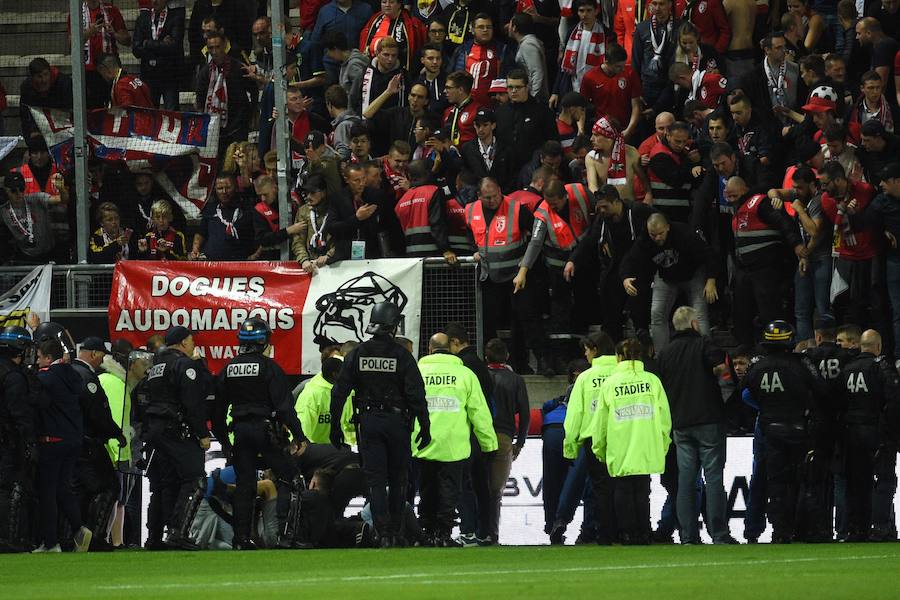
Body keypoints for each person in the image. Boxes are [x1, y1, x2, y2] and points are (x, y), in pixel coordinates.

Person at [329, 302, 431, 547]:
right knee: (398, 479)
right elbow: (416, 395)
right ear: (393, 326)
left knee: (375, 480)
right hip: (397, 423)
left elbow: (339, 392)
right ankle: (396, 531)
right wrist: (425, 427)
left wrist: (335, 425)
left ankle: (382, 533)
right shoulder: (402, 356)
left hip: (369, 422)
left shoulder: (357, 354)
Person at [212, 319, 304, 550]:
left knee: (245, 485)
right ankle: (285, 536)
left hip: (240, 433)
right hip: (266, 432)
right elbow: (284, 407)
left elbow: (217, 412)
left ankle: (240, 539)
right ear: (263, 342)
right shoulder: (269, 368)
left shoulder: (228, 369)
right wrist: (299, 436)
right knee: (290, 478)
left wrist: (225, 442)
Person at [741, 320, 830, 543]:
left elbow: (744, 394)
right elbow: (822, 390)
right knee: (806, 480)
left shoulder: (757, 366)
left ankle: (780, 532)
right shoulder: (801, 363)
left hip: (770, 430)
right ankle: (806, 530)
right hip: (800, 429)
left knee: (777, 484)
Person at [656, 306, 736, 544]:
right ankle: (719, 533)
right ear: (693, 324)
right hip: (708, 418)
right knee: (713, 477)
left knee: (686, 480)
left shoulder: (666, 352)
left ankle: (688, 535)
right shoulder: (704, 344)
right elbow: (721, 367)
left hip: (679, 423)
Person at [415, 333, 497, 547]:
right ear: (449, 349)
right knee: (450, 491)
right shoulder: (464, 374)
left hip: (422, 443)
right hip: (454, 444)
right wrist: (489, 445)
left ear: (430, 350)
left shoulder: (417, 372)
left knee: (426, 490)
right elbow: (479, 412)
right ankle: (443, 535)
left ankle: (426, 532)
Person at [590, 338, 672, 545]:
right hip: (646, 443)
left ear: (619, 357)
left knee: (623, 489)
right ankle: (644, 531)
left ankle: (627, 532)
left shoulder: (611, 383)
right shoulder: (652, 381)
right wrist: (663, 443)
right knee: (643, 488)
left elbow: (600, 421)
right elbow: (664, 418)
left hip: (620, 444)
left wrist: (599, 447)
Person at [465, 177, 544, 375]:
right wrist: (473, 250)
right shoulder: (470, 210)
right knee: (488, 323)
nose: (492, 201)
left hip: (517, 276)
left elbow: (535, 236)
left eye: (495, 196)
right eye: (487, 198)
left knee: (525, 319)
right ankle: (489, 364)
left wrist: (525, 267)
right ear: (479, 196)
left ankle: (533, 363)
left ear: (500, 191)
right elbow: (469, 234)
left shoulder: (516, 208)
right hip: (489, 277)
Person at [144, 326, 211, 550]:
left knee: (166, 483)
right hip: (176, 430)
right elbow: (193, 402)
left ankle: (155, 536)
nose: (193, 344)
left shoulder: (155, 366)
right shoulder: (184, 364)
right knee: (194, 479)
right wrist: (202, 433)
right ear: (183, 343)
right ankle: (178, 532)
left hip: (156, 431)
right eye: (191, 340)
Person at [620, 212, 718, 351]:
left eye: (660, 233)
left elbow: (709, 254)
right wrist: (625, 277)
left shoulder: (684, 233)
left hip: (693, 275)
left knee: (700, 315)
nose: (657, 238)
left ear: (667, 227)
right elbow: (630, 258)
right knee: (657, 314)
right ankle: (662, 358)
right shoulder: (645, 239)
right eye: (653, 234)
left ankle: (708, 355)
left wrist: (711, 279)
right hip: (666, 277)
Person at [555, 331, 618, 545]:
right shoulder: (622, 373)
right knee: (624, 487)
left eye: (587, 349)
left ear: (595, 350)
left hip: (593, 439)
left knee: (599, 489)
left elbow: (574, 416)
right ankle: (628, 531)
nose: (585, 354)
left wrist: (570, 447)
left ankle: (603, 533)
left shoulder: (585, 378)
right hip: (623, 437)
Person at [726, 176, 804, 346]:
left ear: (743, 190)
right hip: (746, 271)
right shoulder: (737, 212)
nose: (731, 200)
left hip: (765, 269)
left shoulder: (759, 203)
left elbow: (783, 223)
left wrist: (796, 244)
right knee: (742, 313)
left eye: (734, 196)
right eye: (728, 197)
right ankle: (745, 352)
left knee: (770, 312)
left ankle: (778, 348)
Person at [837, 329, 900, 541]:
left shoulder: (847, 368)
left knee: (857, 482)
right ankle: (880, 526)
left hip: (851, 432)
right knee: (884, 480)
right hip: (876, 432)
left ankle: (856, 528)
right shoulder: (881, 367)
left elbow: (838, 402)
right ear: (878, 347)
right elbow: (893, 402)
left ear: (861, 345)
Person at [33, 336, 92, 553]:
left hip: (52, 440)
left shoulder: (45, 378)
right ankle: (78, 527)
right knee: (63, 488)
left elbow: (36, 402)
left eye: (39, 357)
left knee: (47, 491)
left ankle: (50, 542)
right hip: (73, 439)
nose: (37, 361)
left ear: (49, 358)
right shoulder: (73, 375)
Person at [70, 336, 126, 551]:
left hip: (69, 442)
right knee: (109, 486)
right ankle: (94, 538)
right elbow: (98, 414)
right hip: (89, 444)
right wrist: (115, 433)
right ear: (93, 354)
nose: (103, 360)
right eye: (102, 355)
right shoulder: (88, 378)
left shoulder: (68, 373)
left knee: (78, 491)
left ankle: (74, 536)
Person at [483, 338, 529, 545]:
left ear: (486, 356)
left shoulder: (479, 376)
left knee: (478, 487)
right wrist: (520, 442)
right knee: (495, 491)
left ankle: (475, 531)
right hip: (504, 436)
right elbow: (525, 414)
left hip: (480, 435)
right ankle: (492, 534)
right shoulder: (516, 380)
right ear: (507, 356)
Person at [0, 327, 37, 553]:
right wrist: (30, 442)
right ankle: (8, 538)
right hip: (7, 440)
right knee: (9, 488)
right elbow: (20, 414)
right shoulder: (13, 376)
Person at [195, 31, 253, 153]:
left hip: (237, 127)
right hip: (214, 130)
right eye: (211, 48)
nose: (215, 51)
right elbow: (200, 98)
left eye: (217, 47)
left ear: (225, 46)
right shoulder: (205, 72)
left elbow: (252, 91)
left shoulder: (238, 68)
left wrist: (247, 117)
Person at [394, 159, 455, 261]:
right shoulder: (434, 191)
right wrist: (445, 249)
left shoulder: (402, 200)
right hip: (434, 256)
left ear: (409, 176)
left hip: (411, 256)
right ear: (428, 172)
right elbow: (437, 222)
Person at [580, 44, 643, 141]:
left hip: (625, 129)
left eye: (623, 65)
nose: (622, 69)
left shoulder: (630, 73)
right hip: (602, 131)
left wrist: (629, 130)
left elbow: (636, 106)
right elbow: (581, 107)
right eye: (618, 66)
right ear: (606, 61)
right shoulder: (590, 77)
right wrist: (581, 130)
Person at [132, 0, 185, 110]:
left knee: (172, 114)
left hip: (169, 75)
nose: (154, 1)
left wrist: (147, 44)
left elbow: (175, 47)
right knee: (150, 115)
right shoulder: (142, 19)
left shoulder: (175, 18)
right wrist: (162, 44)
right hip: (149, 76)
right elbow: (136, 50)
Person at [191, 173, 255, 260]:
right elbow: (201, 232)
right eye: (220, 188)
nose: (224, 191)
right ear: (215, 190)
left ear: (236, 187)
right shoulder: (210, 209)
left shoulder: (246, 209)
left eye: (228, 188)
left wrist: (255, 255)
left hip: (241, 265)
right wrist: (195, 249)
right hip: (212, 265)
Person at [0, 171, 57, 265]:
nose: (19, 194)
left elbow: (61, 199)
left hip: (48, 254)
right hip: (25, 257)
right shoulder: (3, 211)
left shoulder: (35, 199)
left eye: (21, 189)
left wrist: (61, 188)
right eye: (14, 191)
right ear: (6, 190)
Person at [460, 108, 517, 194]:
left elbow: (512, 176)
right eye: (477, 125)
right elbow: (466, 175)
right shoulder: (467, 149)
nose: (480, 129)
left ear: (493, 125)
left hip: (503, 196)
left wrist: (501, 194)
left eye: (485, 125)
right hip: (477, 197)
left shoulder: (506, 148)